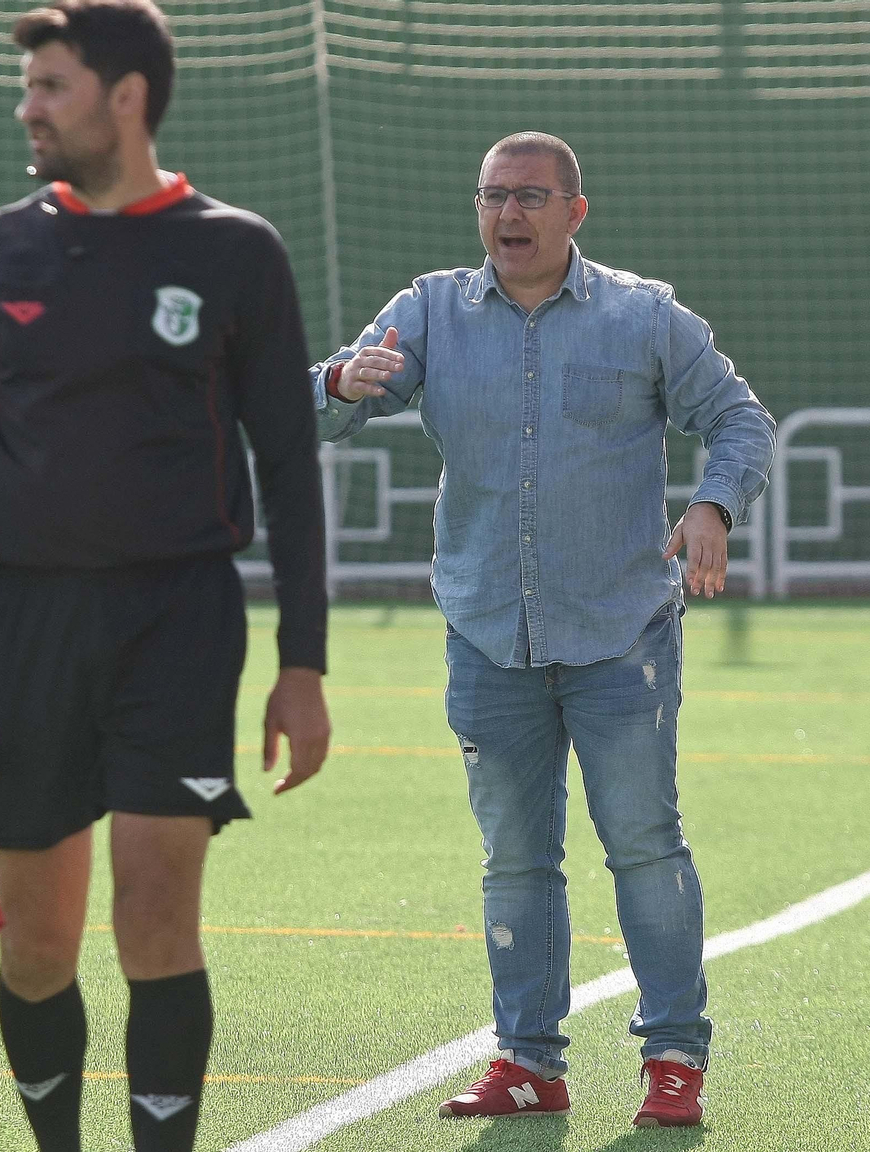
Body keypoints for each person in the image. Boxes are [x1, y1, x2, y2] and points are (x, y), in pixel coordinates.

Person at [0, 3, 332, 1150]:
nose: (28, 108)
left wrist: (303, 666)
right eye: (29, 87)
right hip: (23, 622)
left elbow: (287, 467)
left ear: (124, 96)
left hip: (178, 618)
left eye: (50, 86)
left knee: (154, 926)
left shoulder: (235, 250)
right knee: (36, 944)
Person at [310, 132, 775, 1129]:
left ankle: (673, 1061)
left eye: (529, 196)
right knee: (515, 856)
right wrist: (339, 387)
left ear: (575, 211)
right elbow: (334, 397)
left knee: (644, 846)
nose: (507, 216)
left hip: (621, 637)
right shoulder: (430, 309)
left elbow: (738, 417)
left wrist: (713, 508)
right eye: (491, 197)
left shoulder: (643, 316)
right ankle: (528, 1062)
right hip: (486, 635)